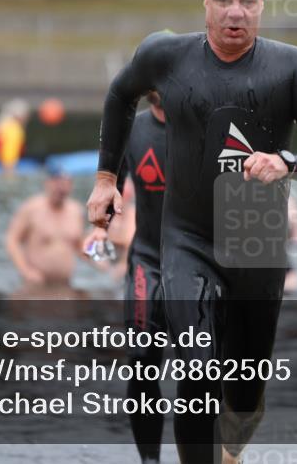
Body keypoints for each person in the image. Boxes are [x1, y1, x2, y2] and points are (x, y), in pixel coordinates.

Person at [86, 0, 297, 464]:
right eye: (224, 0)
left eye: (247, 1)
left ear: (262, 5)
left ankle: (233, 444)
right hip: (188, 238)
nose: (235, 12)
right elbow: (119, 96)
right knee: (196, 368)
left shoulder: (292, 67)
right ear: (206, 4)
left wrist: (287, 162)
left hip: (256, 234)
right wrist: (106, 179)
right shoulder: (167, 57)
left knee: (244, 393)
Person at [84, 90, 167, 464]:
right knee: (142, 363)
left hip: (197, 263)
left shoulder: (200, 124)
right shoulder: (134, 129)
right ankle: (149, 459)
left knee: (202, 366)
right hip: (147, 261)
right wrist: (102, 228)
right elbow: (111, 185)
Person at [4, 166, 86, 292]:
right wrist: (26, 271)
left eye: (66, 184)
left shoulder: (76, 211)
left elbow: (79, 247)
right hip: (36, 285)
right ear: (47, 183)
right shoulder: (31, 208)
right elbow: (11, 240)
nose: (61, 188)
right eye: (57, 183)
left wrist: (103, 262)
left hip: (65, 285)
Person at [0, 98, 31, 177]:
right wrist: (10, 173)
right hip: (6, 168)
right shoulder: (14, 130)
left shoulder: (1, 125)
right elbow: (9, 155)